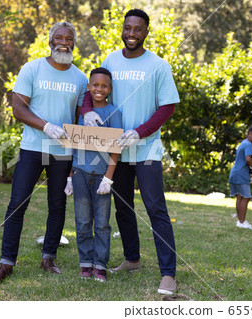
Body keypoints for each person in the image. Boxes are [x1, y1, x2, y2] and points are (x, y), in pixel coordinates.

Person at [80, 9, 180, 295]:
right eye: (128, 28)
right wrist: (87, 112)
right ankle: (132, 259)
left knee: (155, 209)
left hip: (146, 148)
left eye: (138, 29)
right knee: (123, 206)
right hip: (116, 151)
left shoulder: (159, 65)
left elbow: (167, 107)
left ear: (146, 32)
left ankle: (168, 273)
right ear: (122, 30)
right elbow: (92, 89)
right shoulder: (111, 59)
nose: (132, 33)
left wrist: (140, 131)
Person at [0, 21, 88, 284]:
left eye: (69, 38)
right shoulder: (32, 69)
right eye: (59, 37)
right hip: (33, 148)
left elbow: (79, 119)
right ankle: (6, 263)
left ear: (73, 44)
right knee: (17, 203)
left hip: (63, 153)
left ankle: (48, 258)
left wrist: (77, 159)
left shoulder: (80, 78)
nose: (64, 42)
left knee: (57, 205)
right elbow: (18, 109)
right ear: (50, 41)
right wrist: (46, 126)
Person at [64, 67, 122, 282]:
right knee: (82, 221)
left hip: (101, 176)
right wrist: (70, 177)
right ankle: (85, 264)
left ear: (110, 89)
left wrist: (108, 178)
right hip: (80, 173)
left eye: (104, 86)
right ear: (88, 87)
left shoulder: (114, 113)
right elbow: (74, 145)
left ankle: (100, 265)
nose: (99, 89)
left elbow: (115, 148)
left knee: (102, 223)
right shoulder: (80, 114)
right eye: (95, 85)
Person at [229, 123, 252, 230]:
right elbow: (248, 159)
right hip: (240, 174)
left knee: (240, 197)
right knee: (246, 197)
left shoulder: (243, 143)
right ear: (250, 133)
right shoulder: (248, 144)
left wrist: (250, 175)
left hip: (235, 173)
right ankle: (242, 222)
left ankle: (240, 221)